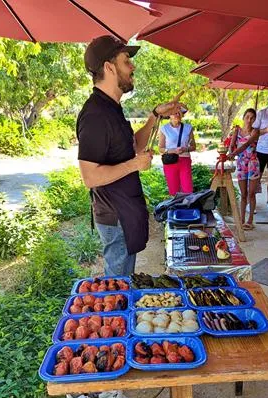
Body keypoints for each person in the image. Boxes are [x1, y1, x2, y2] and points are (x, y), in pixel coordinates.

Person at [76, 35, 181, 275]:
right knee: (119, 289)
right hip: (115, 215)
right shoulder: (95, 114)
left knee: (125, 284)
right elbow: (90, 176)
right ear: (109, 67)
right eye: (126, 61)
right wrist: (135, 164)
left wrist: (155, 115)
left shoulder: (112, 107)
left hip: (125, 211)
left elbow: (131, 145)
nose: (132, 66)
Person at [228, 108, 260, 230]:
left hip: (252, 162)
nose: (249, 120)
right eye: (247, 117)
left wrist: (233, 153)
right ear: (243, 117)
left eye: (252, 118)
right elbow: (231, 145)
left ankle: (250, 219)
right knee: (243, 194)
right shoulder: (237, 130)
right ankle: (241, 219)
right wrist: (230, 152)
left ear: (254, 120)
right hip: (241, 163)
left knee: (251, 193)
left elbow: (247, 144)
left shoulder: (255, 131)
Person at [158, 107, 196, 195]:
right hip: (170, 161)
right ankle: (176, 208)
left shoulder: (188, 128)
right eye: (175, 113)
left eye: (179, 113)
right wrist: (172, 150)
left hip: (185, 160)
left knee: (188, 189)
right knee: (174, 190)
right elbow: (160, 148)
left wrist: (185, 149)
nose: (178, 115)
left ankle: (188, 207)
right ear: (169, 115)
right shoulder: (164, 129)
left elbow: (193, 146)